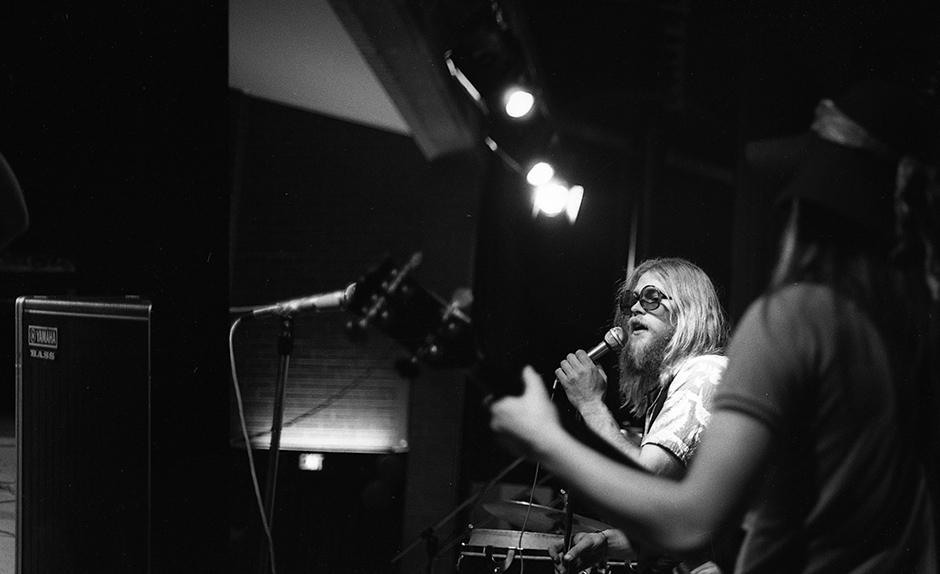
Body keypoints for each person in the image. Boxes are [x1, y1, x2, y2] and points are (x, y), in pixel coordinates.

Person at [489, 77, 940, 573]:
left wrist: (544, 438)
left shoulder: (797, 319)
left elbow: (689, 523)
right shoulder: (906, 331)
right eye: (629, 299)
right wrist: (625, 544)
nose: (633, 309)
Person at [548, 257, 732, 574]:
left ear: (690, 309)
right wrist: (607, 543)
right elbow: (674, 518)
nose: (634, 308)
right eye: (629, 300)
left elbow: (647, 482)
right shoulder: (666, 392)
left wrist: (592, 407)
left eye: (650, 297)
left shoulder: (703, 372)